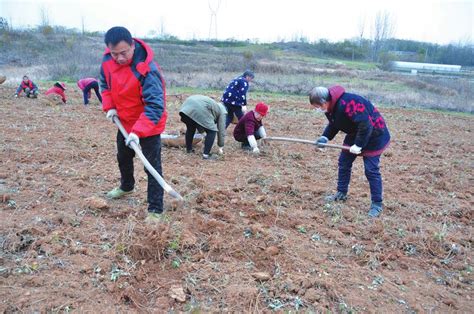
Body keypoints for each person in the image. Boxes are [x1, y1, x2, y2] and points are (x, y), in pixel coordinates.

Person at [100, 26, 168, 223]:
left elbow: (155, 106)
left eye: (124, 52)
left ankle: (155, 209)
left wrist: (138, 131)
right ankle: (127, 186)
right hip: (124, 122)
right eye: (115, 54)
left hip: (148, 125)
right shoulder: (107, 61)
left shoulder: (147, 69)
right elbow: (104, 85)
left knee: (151, 167)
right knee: (123, 156)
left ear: (132, 45)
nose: (120, 58)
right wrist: (110, 107)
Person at [309, 86, 391, 218]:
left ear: (324, 101)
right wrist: (325, 137)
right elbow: (335, 123)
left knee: (371, 170)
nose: (318, 109)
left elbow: (366, 125)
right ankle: (341, 193)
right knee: (344, 162)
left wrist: (358, 145)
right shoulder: (330, 108)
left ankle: (377, 203)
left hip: (375, 134)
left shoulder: (350, 103)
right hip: (356, 133)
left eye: (318, 106)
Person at [179, 95, 227, 159]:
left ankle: (189, 150)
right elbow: (221, 130)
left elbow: (199, 121)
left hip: (185, 106)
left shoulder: (213, 105)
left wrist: (203, 134)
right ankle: (206, 155)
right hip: (197, 107)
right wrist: (221, 146)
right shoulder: (223, 111)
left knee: (191, 128)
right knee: (212, 131)